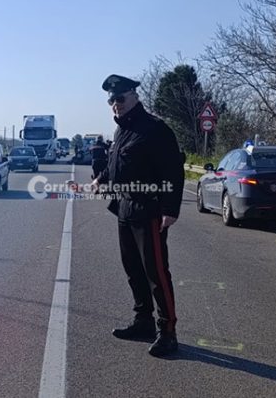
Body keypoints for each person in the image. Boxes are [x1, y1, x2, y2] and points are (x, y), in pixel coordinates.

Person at [91, 74, 185, 357]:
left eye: (119, 99)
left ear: (134, 97)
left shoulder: (155, 129)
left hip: (150, 211)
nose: (115, 105)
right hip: (125, 208)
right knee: (133, 269)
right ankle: (142, 321)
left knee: (156, 273)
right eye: (111, 100)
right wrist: (102, 179)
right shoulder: (122, 131)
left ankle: (167, 332)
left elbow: (173, 170)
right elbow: (117, 164)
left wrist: (170, 209)